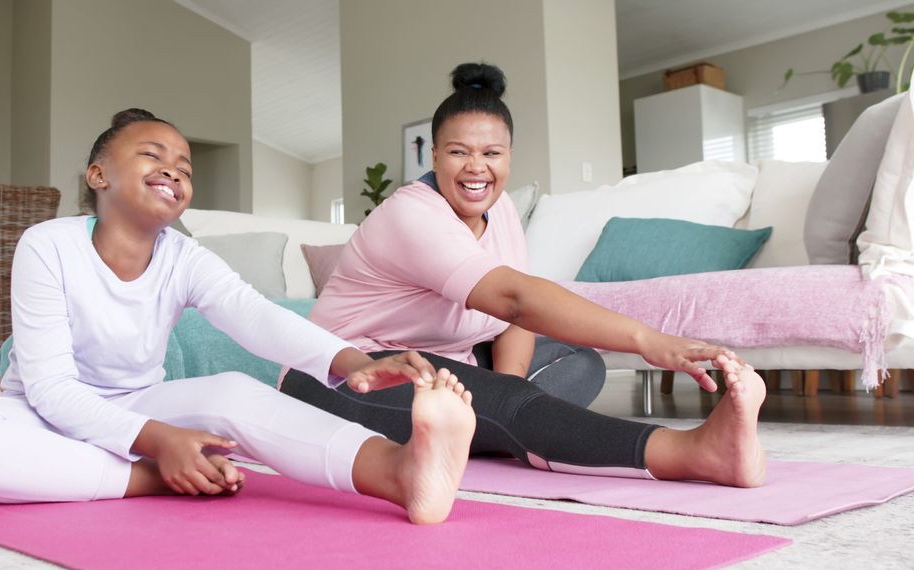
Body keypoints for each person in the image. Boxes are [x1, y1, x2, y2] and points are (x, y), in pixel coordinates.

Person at [0, 109, 477, 525]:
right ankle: (151, 477)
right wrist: (161, 447)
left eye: (185, 166)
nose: (174, 171)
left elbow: (253, 315)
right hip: (41, 415)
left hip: (141, 404)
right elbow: (50, 389)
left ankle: (401, 472)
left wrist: (356, 360)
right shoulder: (46, 244)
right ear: (98, 176)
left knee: (232, 390)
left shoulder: (185, 256)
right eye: (153, 156)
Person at [281, 63, 768, 487]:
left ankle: (485, 424)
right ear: (432, 156)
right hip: (346, 376)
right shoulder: (412, 214)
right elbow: (515, 299)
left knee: (579, 361)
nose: (477, 168)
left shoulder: (503, 211)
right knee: (506, 403)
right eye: (458, 152)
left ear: (509, 155)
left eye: (492, 153)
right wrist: (645, 339)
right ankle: (694, 453)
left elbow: (514, 320)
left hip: (448, 366)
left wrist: (507, 384)